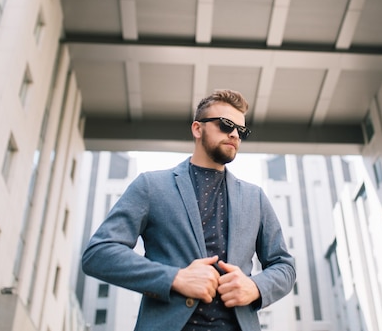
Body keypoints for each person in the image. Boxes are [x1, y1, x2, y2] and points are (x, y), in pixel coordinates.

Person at [82, 89, 296, 331]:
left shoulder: (255, 197)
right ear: (197, 128)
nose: (235, 134)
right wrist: (174, 278)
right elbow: (99, 253)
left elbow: (284, 266)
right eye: (226, 125)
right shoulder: (151, 186)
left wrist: (255, 287)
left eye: (241, 130)